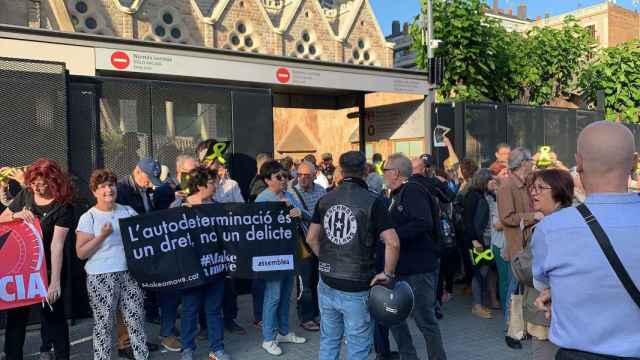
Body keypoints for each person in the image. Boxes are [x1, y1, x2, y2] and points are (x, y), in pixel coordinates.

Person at [533, 121, 640, 360]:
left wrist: (557, 294)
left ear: (578, 162)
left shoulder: (550, 229)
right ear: (633, 162)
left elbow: (542, 286)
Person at [306, 151, 400, 360]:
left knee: (329, 340)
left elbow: (311, 237)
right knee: (358, 346)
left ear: (340, 170)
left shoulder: (325, 199)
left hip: (328, 280)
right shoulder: (374, 201)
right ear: (365, 171)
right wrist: (388, 273)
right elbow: (393, 241)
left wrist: (326, 260)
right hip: (357, 283)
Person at [0, 159, 74, 360]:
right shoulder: (26, 195)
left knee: (54, 317)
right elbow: (2, 218)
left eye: (42, 183)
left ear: (54, 181)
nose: (38, 188)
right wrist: (16, 215)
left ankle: (61, 355)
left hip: (49, 268)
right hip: (22, 268)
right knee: (16, 319)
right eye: (33, 183)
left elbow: (57, 245)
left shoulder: (63, 206)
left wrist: (54, 282)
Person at [75, 169, 148, 360]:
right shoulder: (88, 217)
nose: (108, 190)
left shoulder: (128, 211)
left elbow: (141, 238)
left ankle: (142, 356)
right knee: (104, 323)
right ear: (94, 192)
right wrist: (102, 236)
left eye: (111, 185)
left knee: (136, 320)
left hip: (129, 273)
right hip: (101, 276)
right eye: (102, 187)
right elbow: (81, 253)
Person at [383, 153, 447, 360]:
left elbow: (423, 222)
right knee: (394, 316)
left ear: (396, 172)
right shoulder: (395, 194)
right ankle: (408, 356)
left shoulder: (412, 191)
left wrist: (393, 235)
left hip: (418, 269)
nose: (383, 174)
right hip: (400, 268)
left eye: (385, 170)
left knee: (424, 318)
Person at [170, 167, 231, 360]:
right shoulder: (178, 207)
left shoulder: (217, 206)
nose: (216, 185)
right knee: (189, 309)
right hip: (190, 269)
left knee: (213, 310)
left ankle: (217, 349)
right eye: (213, 182)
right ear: (201, 185)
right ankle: (188, 348)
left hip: (215, 267)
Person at [513, 169, 573, 360]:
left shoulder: (546, 227)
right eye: (533, 187)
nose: (533, 192)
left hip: (545, 312)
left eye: (541, 188)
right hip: (569, 312)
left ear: (558, 191)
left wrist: (518, 256)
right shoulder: (575, 218)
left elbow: (527, 271)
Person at [116, 158, 170, 358]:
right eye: (148, 178)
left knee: (137, 299)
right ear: (137, 171)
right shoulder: (121, 190)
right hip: (124, 251)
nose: (150, 183)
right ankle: (125, 342)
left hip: (141, 250)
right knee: (124, 300)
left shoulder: (144, 189)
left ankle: (137, 338)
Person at [255, 160, 309, 356]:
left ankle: (283, 332)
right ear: (268, 180)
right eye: (279, 177)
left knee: (286, 294)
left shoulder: (289, 195)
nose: (285, 180)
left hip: (289, 253)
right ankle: (268, 338)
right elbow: (255, 230)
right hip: (271, 256)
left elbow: (308, 215)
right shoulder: (262, 199)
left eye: (286, 176)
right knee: (273, 296)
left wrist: (298, 212)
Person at [196, 140, 247, 336]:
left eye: (217, 158)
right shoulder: (195, 180)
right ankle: (204, 326)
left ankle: (230, 319)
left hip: (226, 242)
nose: (215, 162)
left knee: (229, 283)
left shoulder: (231, 184)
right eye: (209, 158)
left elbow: (241, 208)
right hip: (204, 244)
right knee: (204, 284)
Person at [497, 147, 541, 350]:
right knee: (514, 290)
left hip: (529, 245)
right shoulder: (507, 187)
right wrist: (534, 216)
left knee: (524, 290)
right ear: (523, 163)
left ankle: (521, 329)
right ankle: (510, 331)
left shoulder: (526, 184)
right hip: (517, 247)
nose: (533, 163)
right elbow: (506, 218)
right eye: (531, 160)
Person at [289, 161, 325, 332]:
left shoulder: (320, 191)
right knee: (304, 282)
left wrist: (304, 214)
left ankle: (317, 313)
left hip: (319, 240)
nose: (302, 178)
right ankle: (306, 317)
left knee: (318, 279)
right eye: (299, 175)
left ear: (314, 175)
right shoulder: (290, 192)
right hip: (301, 242)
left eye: (307, 175)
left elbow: (322, 218)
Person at [462, 169, 496, 319]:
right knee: (479, 272)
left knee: (485, 270)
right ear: (484, 181)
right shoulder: (472, 195)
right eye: (491, 180)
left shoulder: (481, 194)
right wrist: (474, 240)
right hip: (476, 241)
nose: (493, 183)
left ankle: (482, 303)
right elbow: (468, 220)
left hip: (482, 239)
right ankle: (477, 306)